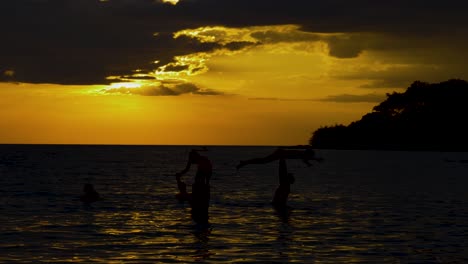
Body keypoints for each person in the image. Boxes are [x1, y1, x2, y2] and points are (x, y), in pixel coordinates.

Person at [176, 149, 212, 224]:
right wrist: (180, 174)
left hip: (206, 169)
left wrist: (207, 183)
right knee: (199, 182)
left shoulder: (203, 160)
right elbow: (187, 168)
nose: (190, 160)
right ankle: (199, 194)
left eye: (191, 158)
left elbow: (207, 173)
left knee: (201, 182)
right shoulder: (195, 159)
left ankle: (201, 195)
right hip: (205, 169)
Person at [236, 145, 322, 170]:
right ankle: (244, 162)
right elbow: (305, 160)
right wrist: (312, 162)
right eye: (311, 155)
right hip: (280, 153)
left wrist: (316, 160)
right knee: (263, 161)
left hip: (280, 154)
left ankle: (245, 162)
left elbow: (306, 159)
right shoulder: (302, 154)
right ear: (308, 154)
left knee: (263, 161)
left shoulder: (303, 154)